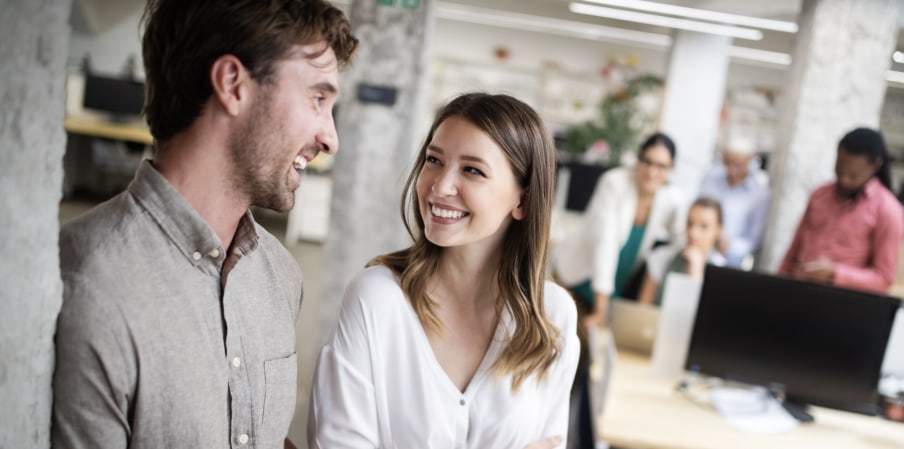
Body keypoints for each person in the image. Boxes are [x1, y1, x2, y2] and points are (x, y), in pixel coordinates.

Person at [52, 1, 358, 448]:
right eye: (317, 97)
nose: (330, 137)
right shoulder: (89, 286)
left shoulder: (280, 275)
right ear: (233, 84)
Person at [307, 93, 580, 449]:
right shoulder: (376, 299)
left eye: (472, 170)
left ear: (523, 201)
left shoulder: (553, 316)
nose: (439, 186)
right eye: (434, 160)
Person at [553, 133, 687, 326]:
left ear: (671, 168)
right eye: (647, 162)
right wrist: (601, 310)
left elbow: (680, 240)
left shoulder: (671, 199)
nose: (652, 171)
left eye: (661, 166)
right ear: (638, 159)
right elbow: (605, 244)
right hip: (578, 278)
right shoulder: (614, 183)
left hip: (612, 289)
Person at [778, 127, 904, 293]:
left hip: (843, 304)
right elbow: (792, 254)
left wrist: (835, 273)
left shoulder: (888, 210)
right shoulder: (820, 195)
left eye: (853, 175)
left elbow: (884, 279)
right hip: (800, 294)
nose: (844, 180)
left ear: (875, 166)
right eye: (839, 170)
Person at [637, 197, 727, 306]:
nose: (693, 233)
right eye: (690, 223)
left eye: (704, 226)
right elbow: (643, 308)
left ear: (718, 230)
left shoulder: (723, 271)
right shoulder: (661, 257)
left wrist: (696, 273)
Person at [698, 135, 770, 269]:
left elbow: (754, 238)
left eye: (738, 164)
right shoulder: (710, 179)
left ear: (750, 161)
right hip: (701, 253)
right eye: (727, 162)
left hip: (732, 263)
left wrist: (729, 245)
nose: (731, 168)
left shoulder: (759, 194)